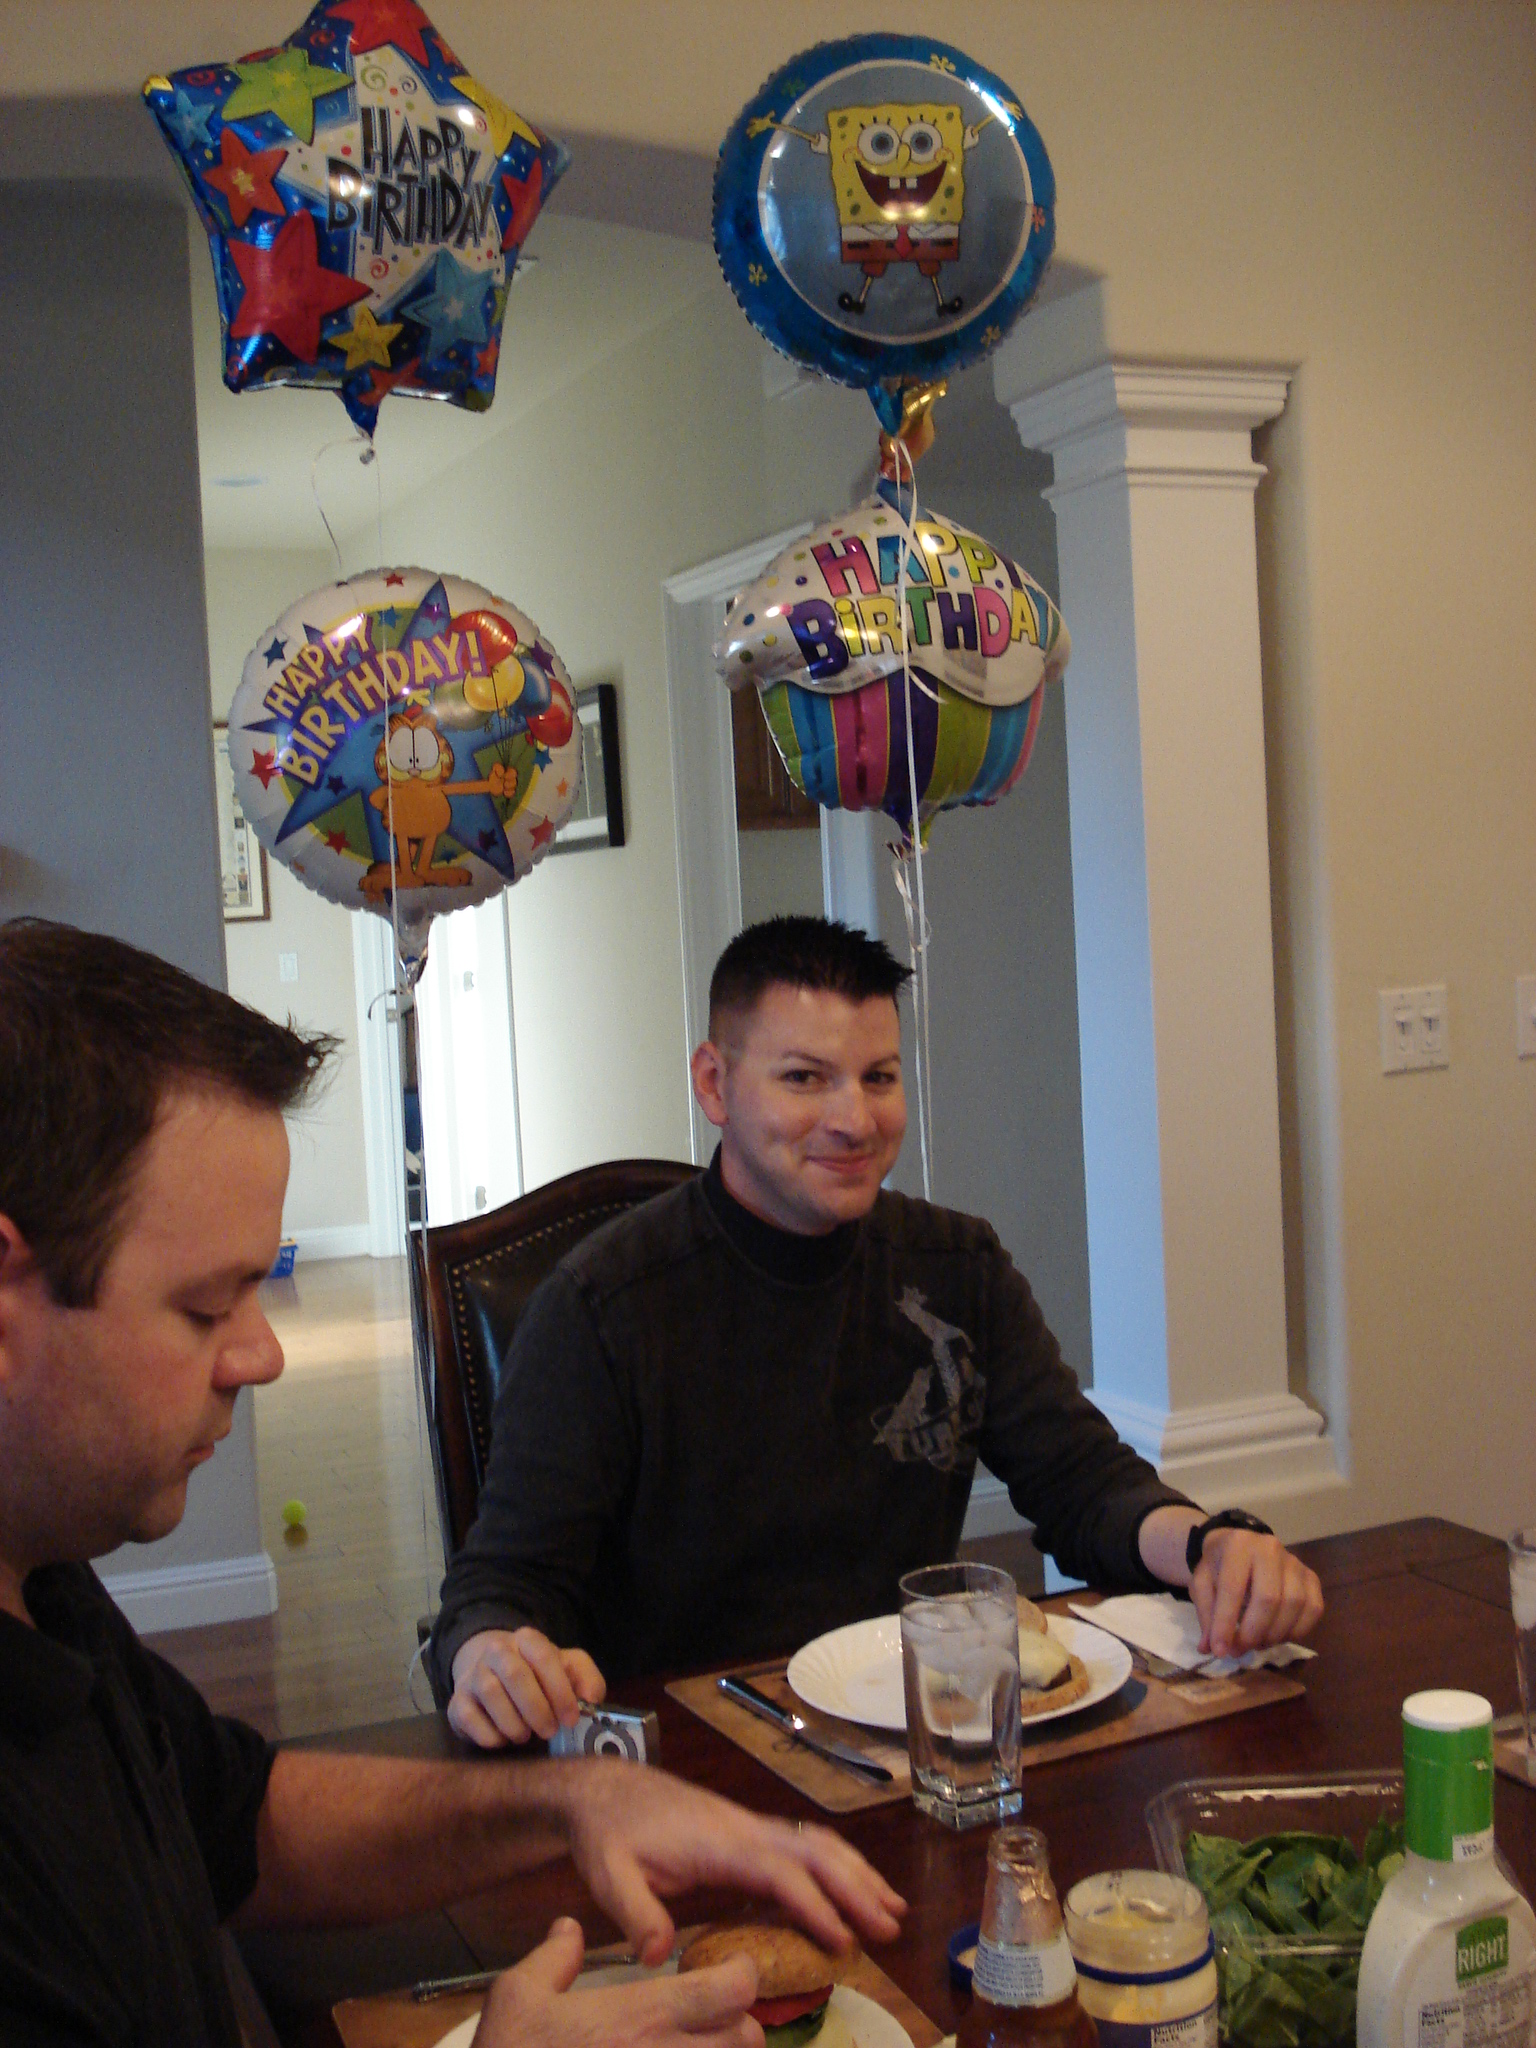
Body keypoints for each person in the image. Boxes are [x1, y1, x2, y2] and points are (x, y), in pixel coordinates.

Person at [0, 918, 904, 2048]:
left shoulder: (46, 1588)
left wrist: (572, 1800)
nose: (261, 1354)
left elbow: (240, 1824)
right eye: (204, 1305)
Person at [429, 916, 1324, 1750]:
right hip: (692, 1755)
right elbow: (499, 1588)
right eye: (803, 1078)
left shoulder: (957, 1266)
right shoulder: (602, 1305)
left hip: (916, 1741)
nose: (854, 1120)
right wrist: (488, 1654)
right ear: (713, 1083)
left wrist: (1211, 1545)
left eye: (879, 1078)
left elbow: (1083, 1482)